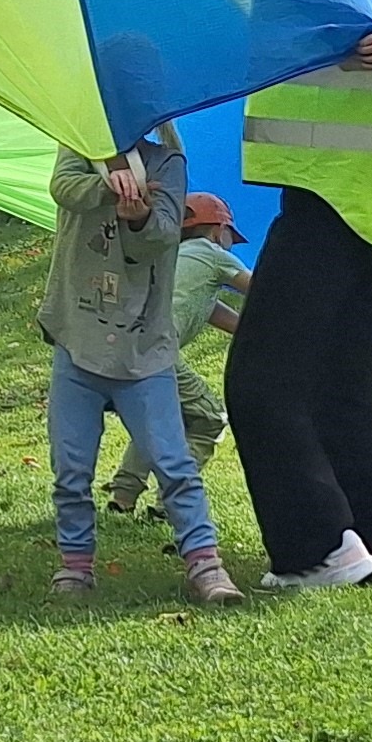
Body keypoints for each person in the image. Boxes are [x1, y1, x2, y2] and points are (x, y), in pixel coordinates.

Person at [227, 33, 372, 593]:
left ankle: (318, 551)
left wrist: (329, 40)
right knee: (340, 391)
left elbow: (333, 7)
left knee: (260, 385)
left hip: (333, 187)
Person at [41, 126, 244, 604]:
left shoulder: (167, 162)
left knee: (175, 463)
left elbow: (161, 234)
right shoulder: (78, 145)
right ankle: (75, 565)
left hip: (144, 347)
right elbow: (64, 188)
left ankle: (206, 564)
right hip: (79, 341)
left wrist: (139, 216)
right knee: (71, 467)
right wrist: (108, 185)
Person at [110, 192, 247, 518]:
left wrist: (253, 332)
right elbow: (260, 290)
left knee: (156, 421)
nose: (229, 244)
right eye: (230, 237)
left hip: (121, 344)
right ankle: (170, 502)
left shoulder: (171, 257)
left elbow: (210, 308)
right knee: (208, 420)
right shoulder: (213, 254)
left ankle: (123, 497)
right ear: (217, 230)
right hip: (155, 349)